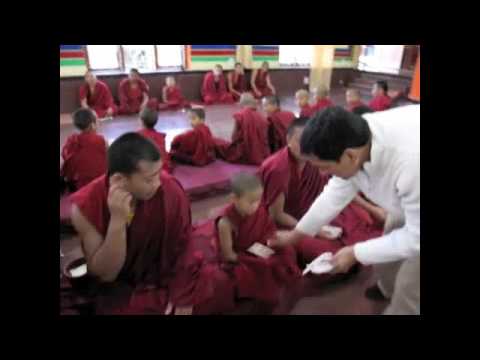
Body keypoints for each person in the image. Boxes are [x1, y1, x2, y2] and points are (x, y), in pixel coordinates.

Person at [270, 105, 420, 315]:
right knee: (389, 242)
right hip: (405, 197)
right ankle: (387, 287)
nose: (322, 174)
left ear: (350, 157)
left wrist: (356, 252)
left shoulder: (412, 164)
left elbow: (416, 239)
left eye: (324, 167)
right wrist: (296, 235)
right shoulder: (354, 137)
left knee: (410, 283)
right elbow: (335, 193)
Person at [69, 133, 229, 315]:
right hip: (121, 285)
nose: (158, 184)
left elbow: (183, 245)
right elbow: (106, 274)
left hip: (164, 274)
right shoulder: (86, 206)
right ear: (119, 180)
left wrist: (182, 296)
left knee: (218, 284)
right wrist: (118, 220)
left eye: (159, 174)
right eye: (149, 179)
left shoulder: (170, 189)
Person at [259, 117, 384, 264]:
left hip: (317, 208)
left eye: (310, 142)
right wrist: (316, 229)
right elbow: (277, 215)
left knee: (361, 223)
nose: (306, 147)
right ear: (288, 139)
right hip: (291, 222)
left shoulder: (315, 157)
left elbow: (340, 188)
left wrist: (372, 208)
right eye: (300, 141)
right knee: (329, 255)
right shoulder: (277, 169)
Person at [212, 172, 300, 308]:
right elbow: (228, 255)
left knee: (288, 250)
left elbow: (268, 231)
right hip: (241, 254)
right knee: (264, 266)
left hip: (258, 245)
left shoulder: (259, 210)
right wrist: (254, 258)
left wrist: (268, 244)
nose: (256, 206)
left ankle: (283, 280)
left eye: (259, 200)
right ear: (233, 198)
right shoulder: (226, 222)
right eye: (251, 202)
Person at [215, 93, 270, 165]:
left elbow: (233, 137)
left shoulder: (241, 115)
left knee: (217, 142)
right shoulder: (262, 118)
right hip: (262, 154)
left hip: (243, 153)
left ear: (241, 103)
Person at [60, 108, 107, 192]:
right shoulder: (101, 140)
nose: (99, 122)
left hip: (77, 183)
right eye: (97, 120)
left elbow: (65, 156)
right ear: (92, 125)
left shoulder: (71, 140)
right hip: (99, 182)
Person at [137, 107, 172, 173]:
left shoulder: (138, 136)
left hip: (147, 170)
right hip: (163, 168)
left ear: (141, 121)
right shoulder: (160, 136)